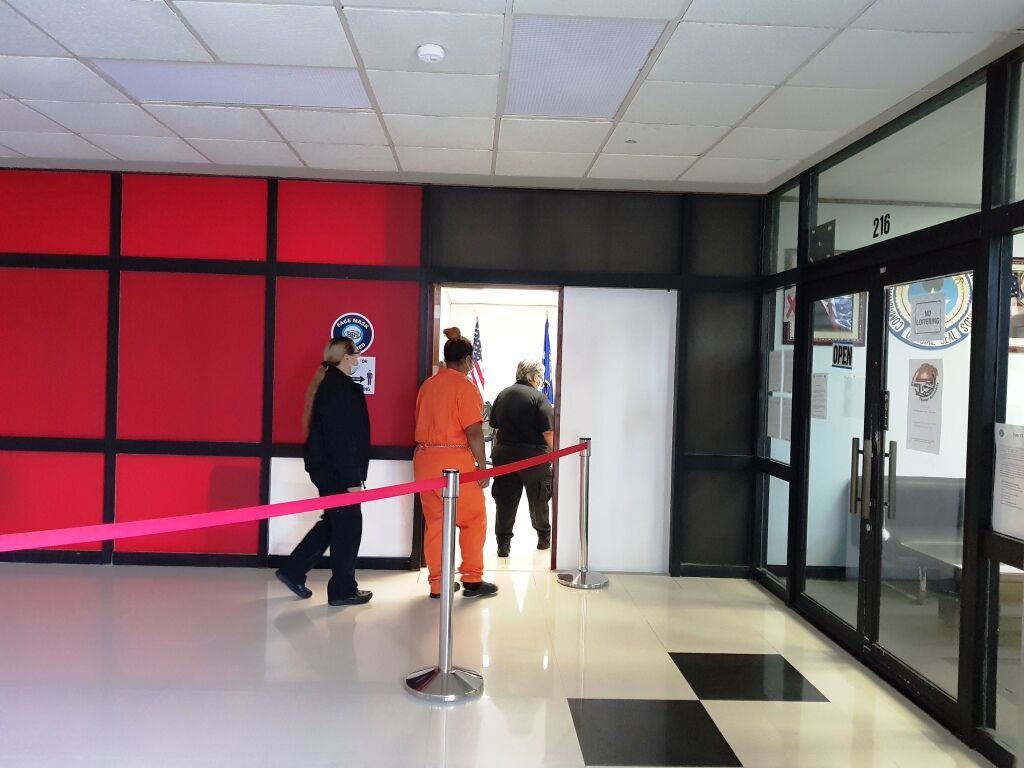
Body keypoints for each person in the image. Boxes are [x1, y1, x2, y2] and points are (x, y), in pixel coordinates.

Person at [275, 337, 372, 606]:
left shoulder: (332, 385)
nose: (359, 361)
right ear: (347, 357)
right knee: (349, 527)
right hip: (338, 473)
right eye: (357, 356)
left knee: (334, 521)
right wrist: (353, 479)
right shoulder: (339, 389)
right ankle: (343, 590)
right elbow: (342, 439)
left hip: (330, 470)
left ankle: (293, 570)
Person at [413, 327, 498, 599]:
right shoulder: (465, 387)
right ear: (467, 361)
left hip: (424, 460)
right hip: (455, 463)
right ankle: (472, 579)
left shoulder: (428, 385)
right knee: (473, 519)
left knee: (436, 522)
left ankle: (438, 583)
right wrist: (482, 466)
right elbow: (474, 431)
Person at [489, 359, 554, 557]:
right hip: (534, 457)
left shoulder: (502, 394)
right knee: (539, 499)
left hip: (504, 455)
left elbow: (496, 428)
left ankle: (503, 544)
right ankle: (543, 538)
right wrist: (558, 454)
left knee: (505, 501)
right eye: (541, 378)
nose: (541, 381)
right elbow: (548, 433)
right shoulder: (539, 398)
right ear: (534, 377)